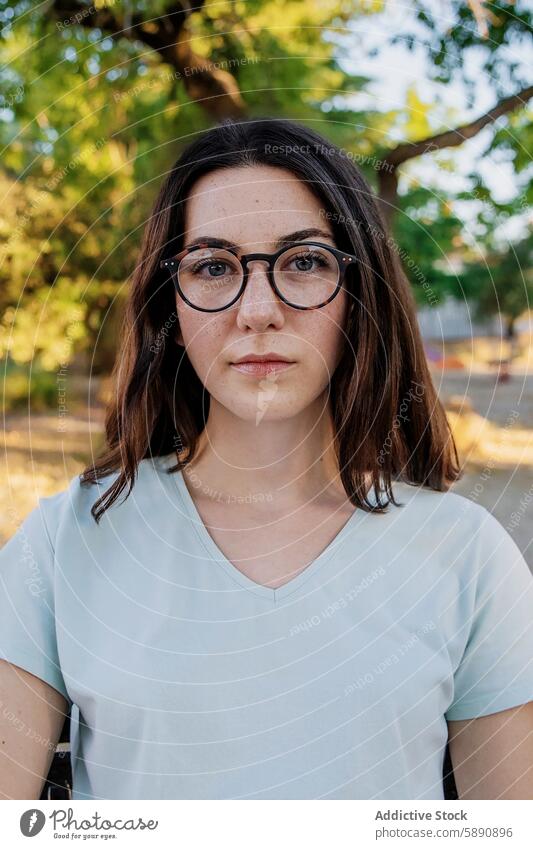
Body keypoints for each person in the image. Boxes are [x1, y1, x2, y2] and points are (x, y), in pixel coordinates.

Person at [1, 118, 533, 801]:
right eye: (213, 266)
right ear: (172, 299)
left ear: (358, 290)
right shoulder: (64, 542)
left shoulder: (467, 556)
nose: (257, 309)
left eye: (304, 261)